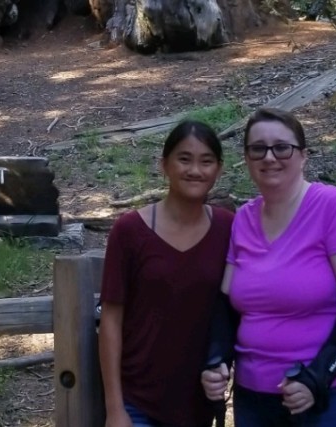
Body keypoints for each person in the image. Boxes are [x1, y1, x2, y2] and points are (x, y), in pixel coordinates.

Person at [201, 107, 336, 426]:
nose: (270, 157)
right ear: (247, 158)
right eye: (258, 148)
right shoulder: (243, 219)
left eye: (282, 147)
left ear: (303, 156)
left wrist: (320, 374)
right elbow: (226, 305)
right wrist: (217, 359)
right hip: (254, 398)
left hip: (326, 396)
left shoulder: (331, 205)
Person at [99, 119, 236, 427]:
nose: (195, 170)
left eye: (206, 161)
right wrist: (114, 408)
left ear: (219, 169)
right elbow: (111, 318)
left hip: (199, 403)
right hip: (137, 402)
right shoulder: (130, 231)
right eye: (184, 159)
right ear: (164, 164)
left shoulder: (229, 228)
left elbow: (233, 307)